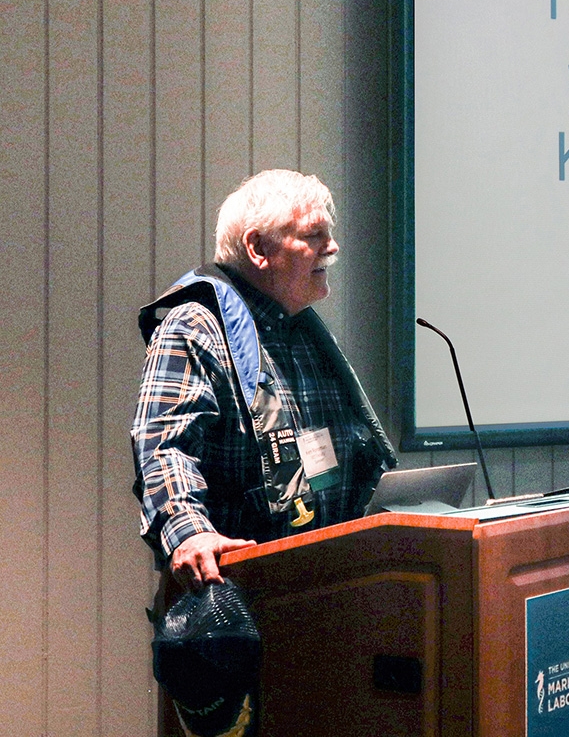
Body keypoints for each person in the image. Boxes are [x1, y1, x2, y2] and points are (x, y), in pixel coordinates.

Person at [132, 169, 398, 591]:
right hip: (236, 604)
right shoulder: (195, 328)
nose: (332, 247)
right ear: (258, 247)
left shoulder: (304, 334)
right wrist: (189, 531)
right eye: (314, 235)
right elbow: (165, 447)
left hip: (332, 590)